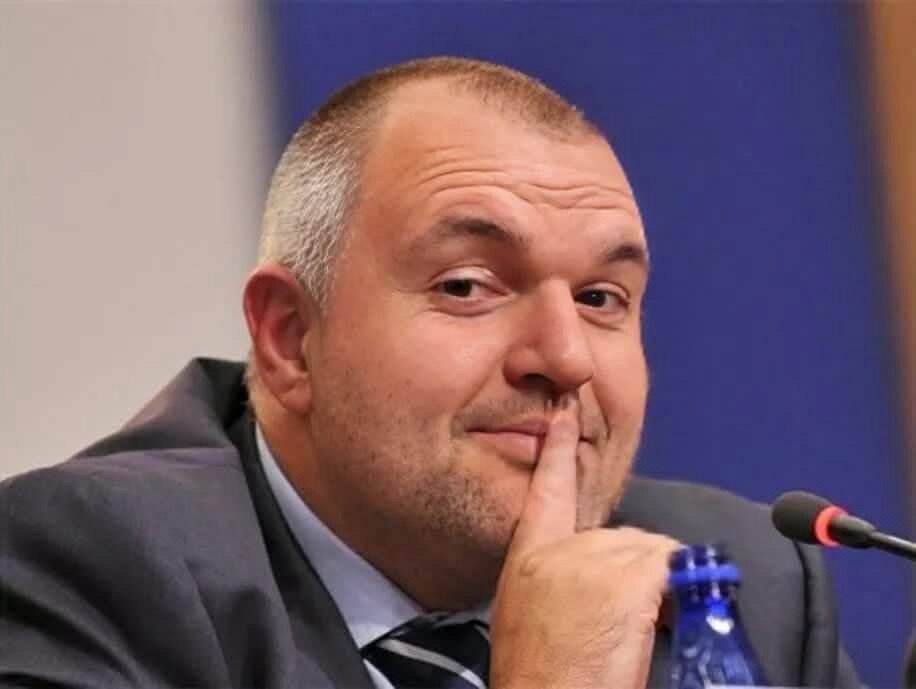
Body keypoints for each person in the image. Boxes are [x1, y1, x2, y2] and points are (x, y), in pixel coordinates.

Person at [0, 57, 859, 689]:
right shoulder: (87, 572)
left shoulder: (750, 580)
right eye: (468, 286)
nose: (565, 358)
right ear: (291, 339)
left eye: (601, 298)